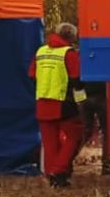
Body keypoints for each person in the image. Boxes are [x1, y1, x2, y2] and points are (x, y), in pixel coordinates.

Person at [30, 23, 85, 187]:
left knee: (50, 142)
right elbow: (76, 78)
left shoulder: (41, 51)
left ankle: (52, 176)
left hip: (42, 100)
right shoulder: (69, 53)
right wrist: (81, 98)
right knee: (76, 135)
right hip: (63, 102)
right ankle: (59, 170)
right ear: (72, 38)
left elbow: (32, 74)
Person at [82, 79, 110, 175]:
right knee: (107, 132)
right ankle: (106, 165)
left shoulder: (82, 63)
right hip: (102, 96)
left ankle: (67, 163)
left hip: (84, 95)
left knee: (84, 132)